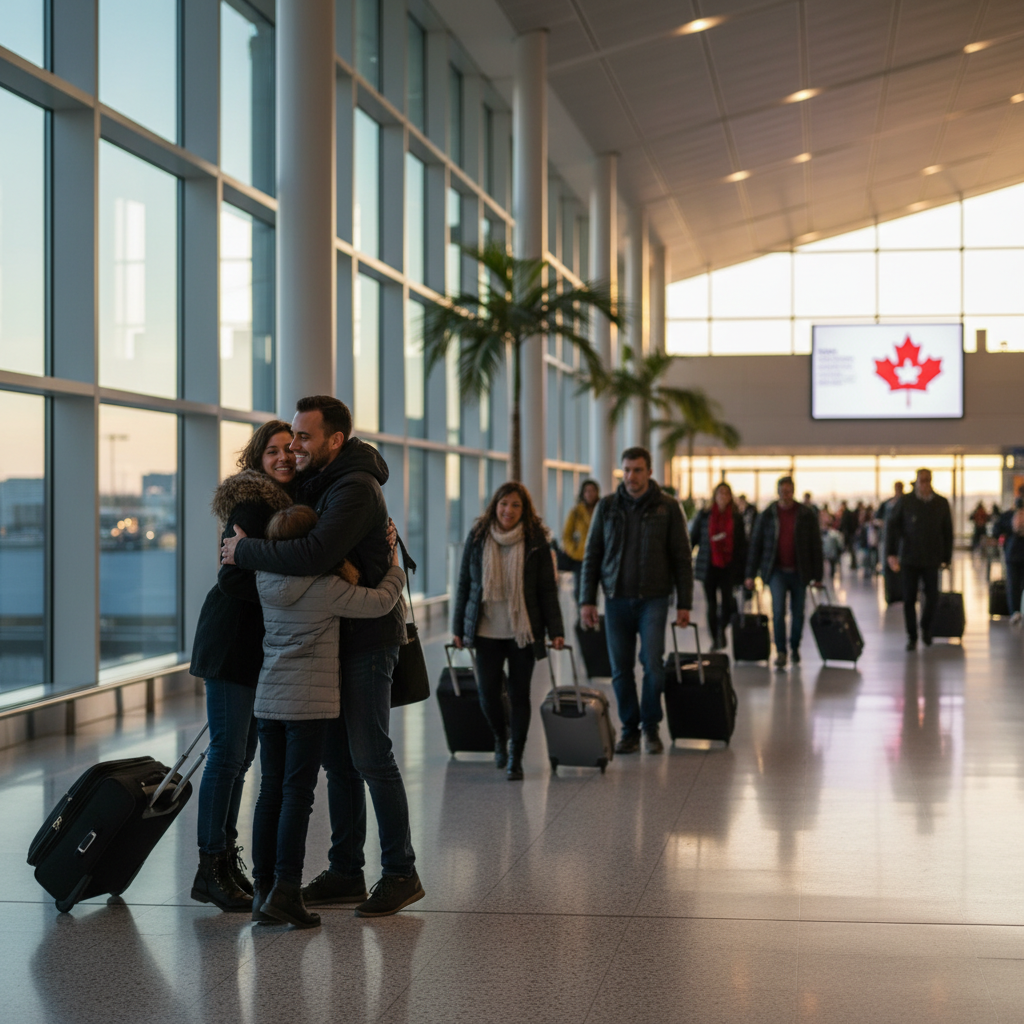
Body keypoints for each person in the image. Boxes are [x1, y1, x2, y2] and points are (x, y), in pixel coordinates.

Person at [221, 395, 422, 918]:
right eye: (291, 437)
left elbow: (313, 555)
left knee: (370, 756)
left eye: (304, 437)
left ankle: (401, 871)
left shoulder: (353, 488)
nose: (295, 446)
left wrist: (245, 551)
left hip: (368, 638)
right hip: (339, 636)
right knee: (341, 763)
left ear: (335, 439)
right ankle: (346, 870)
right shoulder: (326, 481)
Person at [250, 504, 407, 928]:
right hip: (307, 703)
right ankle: (286, 891)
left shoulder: (264, 579)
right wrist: (396, 568)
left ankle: (262, 891)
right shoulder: (324, 587)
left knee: (270, 793)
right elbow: (380, 602)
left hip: (269, 699)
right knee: (298, 796)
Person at [188, 419, 297, 912]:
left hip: (251, 648)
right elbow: (233, 580)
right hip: (231, 643)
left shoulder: (283, 505)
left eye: (289, 450)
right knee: (228, 756)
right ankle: (210, 866)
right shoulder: (254, 503)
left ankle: (225, 861)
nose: (282, 458)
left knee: (239, 758)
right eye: (272, 451)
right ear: (257, 458)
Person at [579, 447, 693, 755]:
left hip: (653, 599)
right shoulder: (607, 507)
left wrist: (685, 603)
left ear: (650, 472)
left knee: (653, 665)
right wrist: (586, 601)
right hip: (615, 599)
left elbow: (682, 558)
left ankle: (651, 726)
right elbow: (592, 556)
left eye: (638, 470)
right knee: (620, 669)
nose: (631, 476)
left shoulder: (668, 507)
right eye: (627, 470)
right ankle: (629, 729)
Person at [451, 482, 566, 780]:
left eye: (516, 505)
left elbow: (546, 590)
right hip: (486, 631)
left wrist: (556, 630)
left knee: (519, 695)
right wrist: (458, 627)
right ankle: (501, 738)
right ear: (495, 505)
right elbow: (464, 583)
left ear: (524, 510)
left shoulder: (536, 540)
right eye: (504, 504)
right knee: (487, 693)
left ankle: (516, 756)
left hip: (522, 633)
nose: (508, 510)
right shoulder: (478, 536)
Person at [745, 476, 824, 669]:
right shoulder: (768, 514)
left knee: (798, 613)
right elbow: (756, 545)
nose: (785, 495)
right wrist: (750, 573)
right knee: (778, 611)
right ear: (777, 492)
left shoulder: (805, 514)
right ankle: (781, 650)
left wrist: (817, 576)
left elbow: (815, 546)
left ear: (793, 491)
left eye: (788, 491)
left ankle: (794, 646)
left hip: (799, 571)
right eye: (782, 491)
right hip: (776, 571)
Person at [886, 468, 953, 650]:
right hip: (909, 558)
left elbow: (947, 531)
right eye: (921, 481)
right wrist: (891, 553)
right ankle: (912, 635)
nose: (923, 484)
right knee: (909, 598)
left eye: (926, 481)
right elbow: (892, 526)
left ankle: (926, 627)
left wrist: (947, 556)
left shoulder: (940, 503)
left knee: (932, 596)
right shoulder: (906, 502)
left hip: (932, 558)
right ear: (916, 482)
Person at [690, 482, 748, 650]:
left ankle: (721, 629)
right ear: (714, 496)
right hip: (709, 566)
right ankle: (716, 637)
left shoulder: (736, 517)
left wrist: (745, 571)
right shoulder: (705, 515)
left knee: (729, 603)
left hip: (729, 566)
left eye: (726, 494)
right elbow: (693, 539)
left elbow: (742, 545)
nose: (723, 497)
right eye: (720, 493)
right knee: (712, 604)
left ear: (730, 497)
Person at [561, 479, 600, 605]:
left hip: (599, 556)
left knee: (597, 589)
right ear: (582, 493)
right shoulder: (576, 512)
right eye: (587, 491)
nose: (590, 494)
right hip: (581, 558)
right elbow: (566, 535)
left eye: (592, 491)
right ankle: (582, 618)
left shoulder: (601, 510)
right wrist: (573, 550)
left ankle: (594, 617)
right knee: (580, 590)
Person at [995, 492, 1024, 624]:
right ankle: (1015, 612)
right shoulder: (1008, 516)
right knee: (1013, 585)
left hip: (1014, 554)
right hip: (1013, 555)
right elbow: (996, 531)